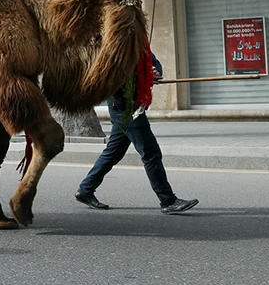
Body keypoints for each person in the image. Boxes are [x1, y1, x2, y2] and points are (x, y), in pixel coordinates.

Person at [75, 54, 198, 214]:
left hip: (132, 105)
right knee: (151, 153)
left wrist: (155, 72)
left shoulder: (139, 45)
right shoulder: (114, 47)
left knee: (113, 153)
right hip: (125, 107)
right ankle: (168, 201)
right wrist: (144, 76)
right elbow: (111, 75)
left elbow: (153, 62)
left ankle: (85, 189)